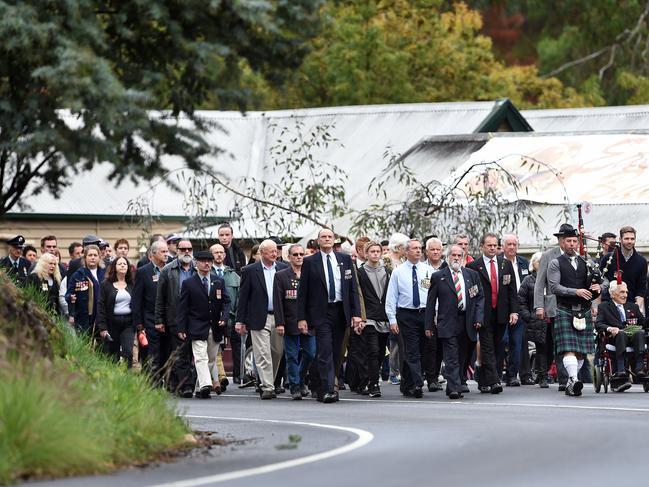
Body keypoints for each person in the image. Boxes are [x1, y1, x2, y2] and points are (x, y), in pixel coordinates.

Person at [297, 228, 362, 403]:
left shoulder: (345, 259)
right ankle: (328, 390)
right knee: (325, 350)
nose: (327, 239)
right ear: (318, 241)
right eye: (323, 237)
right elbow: (303, 291)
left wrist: (357, 314)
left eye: (330, 237)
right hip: (321, 312)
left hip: (341, 311)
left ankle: (318, 383)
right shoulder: (310, 262)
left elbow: (353, 289)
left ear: (334, 240)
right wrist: (301, 318)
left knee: (336, 352)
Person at [425, 245, 484, 399]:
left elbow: (479, 298)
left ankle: (455, 383)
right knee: (451, 356)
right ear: (448, 257)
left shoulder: (471, 275)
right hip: (448, 322)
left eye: (459, 255)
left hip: (467, 321)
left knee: (462, 356)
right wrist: (429, 325)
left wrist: (478, 318)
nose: (456, 258)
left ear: (463, 257)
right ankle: (454, 388)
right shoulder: (439, 276)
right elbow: (430, 303)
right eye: (453, 255)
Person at [548, 227, 601, 397]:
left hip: (584, 310)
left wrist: (599, 287)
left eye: (574, 241)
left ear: (578, 243)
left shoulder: (587, 262)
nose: (572, 244)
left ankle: (572, 382)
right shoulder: (556, 263)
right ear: (563, 243)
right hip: (565, 309)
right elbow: (554, 287)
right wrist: (575, 291)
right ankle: (573, 378)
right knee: (569, 348)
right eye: (569, 241)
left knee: (580, 351)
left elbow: (604, 280)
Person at [236, 239, 288, 399]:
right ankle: (267, 386)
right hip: (259, 317)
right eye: (271, 251)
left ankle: (268, 381)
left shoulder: (283, 268)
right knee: (262, 352)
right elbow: (243, 297)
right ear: (262, 253)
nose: (275, 253)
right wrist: (240, 320)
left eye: (276, 251)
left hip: (279, 317)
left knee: (277, 351)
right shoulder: (250, 271)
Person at [467, 233, 518, 394]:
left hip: (501, 313)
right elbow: (472, 294)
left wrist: (513, 311)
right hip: (483, 314)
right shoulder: (474, 266)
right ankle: (495, 381)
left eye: (495, 245)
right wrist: (475, 315)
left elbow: (511, 290)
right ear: (482, 246)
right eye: (489, 245)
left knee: (497, 346)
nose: (492, 248)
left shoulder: (505, 264)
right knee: (487, 347)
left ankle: (483, 379)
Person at [176, 250, 231, 399]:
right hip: (196, 326)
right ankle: (206, 384)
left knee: (212, 358)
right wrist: (181, 327)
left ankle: (200, 387)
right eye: (203, 261)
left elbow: (226, 302)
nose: (207, 263)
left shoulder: (218, 281)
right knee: (200, 357)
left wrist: (224, 318)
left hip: (215, 326)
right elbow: (183, 307)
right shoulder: (189, 283)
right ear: (196, 263)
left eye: (209, 261)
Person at [385, 239, 434, 398]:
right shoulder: (398, 272)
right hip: (406, 315)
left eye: (420, 248)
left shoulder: (428, 270)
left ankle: (407, 384)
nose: (418, 251)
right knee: (411, 350)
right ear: (406, 252)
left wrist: (435, 315)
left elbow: (434, 296)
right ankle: (417, 384)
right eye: (414, 248)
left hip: (424, 314)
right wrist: (392, 319)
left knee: (421, 350)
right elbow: (391, 297)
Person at [274, 244, 315, 400]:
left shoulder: (310, 273)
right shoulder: (281, 275)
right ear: (288, 257)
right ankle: (295, 385)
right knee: (291, 355)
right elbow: (278, 302)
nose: (299, 257)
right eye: (295, 254)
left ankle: (301, 377)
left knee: (310, 353)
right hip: (290, 321)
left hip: (309, 322)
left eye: (301, 254)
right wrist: (280, 323)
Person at [155, 239, 196, 397]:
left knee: (196, 353)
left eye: (189, 249)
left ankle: (189, 383)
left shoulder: (197, 268)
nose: (186, 252)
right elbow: (160, 298)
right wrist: (159, 320)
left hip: (195, 317)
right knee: (180, 353)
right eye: (183, 249)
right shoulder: (167, 270)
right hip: (175, 317)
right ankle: (185, 385)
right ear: (177, 251)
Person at [534, 223, 572, 390]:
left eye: (570, 239)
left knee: (570, 343)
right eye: (564, 239)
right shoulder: (548, 256)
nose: (567, 243)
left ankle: (570, 376)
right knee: (556, 343)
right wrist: (539, 306)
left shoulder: (578, 255)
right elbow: (539, 283)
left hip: (574, 306)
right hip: (554, 305)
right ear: (559, 240)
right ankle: (561, 378)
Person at [355, 240, 392, 398]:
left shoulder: (388, 271)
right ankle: (374, 383)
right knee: (372, 350)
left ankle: (368, 379)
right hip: (369, 317)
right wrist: (360, 317)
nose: (376, 254)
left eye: (378, 251)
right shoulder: (360, 272)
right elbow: (358, 295)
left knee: (380, 353)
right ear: (366, 253)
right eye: (372, 252)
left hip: (384, 316)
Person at [596, 281, 646, 391]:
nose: (625, 295)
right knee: (621, 333)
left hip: (634, 339)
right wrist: (610, 328)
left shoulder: (633, 306)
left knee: (640, 333)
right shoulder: (604, 307)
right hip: (614, 338)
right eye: (622, 292)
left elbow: (644, 323)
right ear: (613, 294)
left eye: (626, 292)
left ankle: (639, 368)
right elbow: (599, 323)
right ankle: (620, 369)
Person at [132, 240, 170, 386]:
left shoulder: (170, 269)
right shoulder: (143, 272)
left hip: (168, 319)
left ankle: (165, 379)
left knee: (166, 351)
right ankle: (152, 381)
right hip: (149, 320)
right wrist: (139, 324)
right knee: (152, 352)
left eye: (167, 251)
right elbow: (137, 299)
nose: (166, 254)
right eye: (163, 252)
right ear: (153, 254)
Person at [518, 252, 552, 388]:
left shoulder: (552, 279)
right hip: (537, 320)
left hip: (552, 319)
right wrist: (528, 316)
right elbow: (521, 300)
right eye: (540, 262)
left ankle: (541, 372)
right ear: (534, 264)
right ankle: (543, 376)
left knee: (552, 349)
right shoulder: (528, 280)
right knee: (541, 349)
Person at [211, 243, 243, 384]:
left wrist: (238, 316)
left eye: (221, 252)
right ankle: (218, 375)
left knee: (236, 346)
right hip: (213, 317)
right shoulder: (206, 272)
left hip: (232, 317)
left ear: (225, 255)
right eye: (215, 252)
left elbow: (240, 296)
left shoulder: (233, 275)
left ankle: (238, 374)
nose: (219, 255)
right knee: (216, 347)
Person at [501, 233, 531, 386]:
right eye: (509, 244)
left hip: (520, 306)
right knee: (502, 340)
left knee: (517, 343)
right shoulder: (499, 262)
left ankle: (512, 375)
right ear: (503, 247)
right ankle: (496, 372)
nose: (512, 247)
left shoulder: (524, 262)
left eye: (514, 244)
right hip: (502, 308)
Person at [96, 257, 136, 367]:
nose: (123, 265)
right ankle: (115, 380)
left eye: (125, 264)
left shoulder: (133, 284)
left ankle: (128, 377)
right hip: (112, 323)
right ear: (115, 267)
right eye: (120, 264)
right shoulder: (106, 284)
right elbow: (101, 306)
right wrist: (103, 328)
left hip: (128, 323)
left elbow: (137, 304)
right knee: (113, 356)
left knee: (128, 352)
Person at [600, 226, 647, 311]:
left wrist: (636, 306)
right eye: (626, 238)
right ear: (620, 239)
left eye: (632, 239)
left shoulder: (642, 261)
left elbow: (641, 288)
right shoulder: (608, 258)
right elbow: (600, 282)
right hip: (609, 306)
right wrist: (598, 306)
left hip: (631, 305)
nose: (630, 241)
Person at [66, 245, 105, 334]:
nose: (93, 258)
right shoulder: (78, 275)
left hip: (102, 318)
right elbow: (68, 294)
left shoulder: (105, 273)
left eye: (95, 255)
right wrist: (70, 297)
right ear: (85, 257)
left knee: (102, 346)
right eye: (90, 255)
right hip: (84, 318)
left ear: (99, 257)